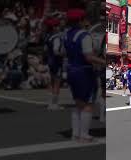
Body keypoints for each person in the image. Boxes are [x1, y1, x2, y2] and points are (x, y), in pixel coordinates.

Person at [63, 9, 105, 143]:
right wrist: (105, 62)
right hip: (84, 72)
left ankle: (75, 134)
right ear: (81, 20)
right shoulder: (84, 36)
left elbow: (63, 53)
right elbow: (88, 57)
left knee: (78, 103)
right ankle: (84, 135)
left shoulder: (66, 35)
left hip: (71, 70)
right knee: (88, 104)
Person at [44, 17, 64, 110]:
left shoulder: (48, 36)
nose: (59, 27)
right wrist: (64, 54)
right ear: (55, 27)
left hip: (49, 60)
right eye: (57, 26)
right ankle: (55, 104)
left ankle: (49, 103)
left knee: (50, 82)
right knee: (57, 82)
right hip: (56, 61)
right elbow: (56, 51)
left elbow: (45, 49)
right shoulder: (57, 38)